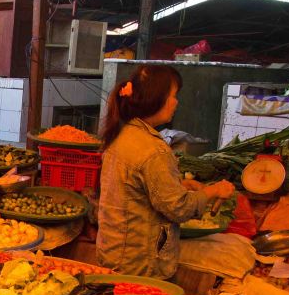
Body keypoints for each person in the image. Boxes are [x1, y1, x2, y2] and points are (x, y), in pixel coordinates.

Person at [96, 65, 235, 279]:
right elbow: (178, 209)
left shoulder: (123, 135)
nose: (176, 102)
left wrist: (181, 186)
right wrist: (212, 191)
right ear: (156, 98)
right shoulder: (153, 150)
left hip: (116, 253)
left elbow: (137, 191)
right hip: (141, 264)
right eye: (173, 96)